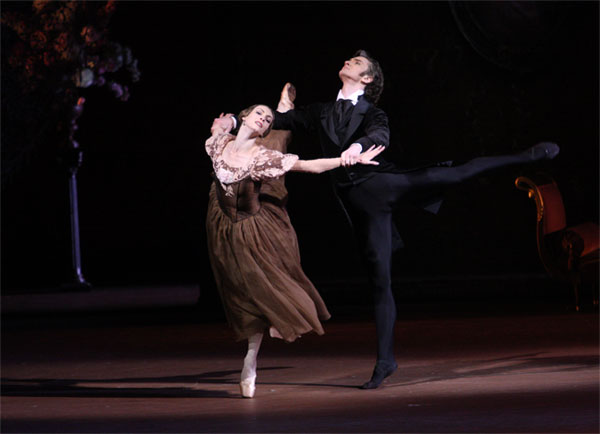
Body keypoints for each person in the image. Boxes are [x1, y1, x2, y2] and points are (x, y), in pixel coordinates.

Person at [221, 50, 560, 390]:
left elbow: (379, 135)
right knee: (380, 280)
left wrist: (359, 146)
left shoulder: (373, 113)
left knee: (454, 173)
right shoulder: (322, 111)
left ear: (366, 79)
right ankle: (387, 361)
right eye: (349, 59)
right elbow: (278, 121)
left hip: (384, 185)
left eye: (356, 62)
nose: (349, 61)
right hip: (363, 206)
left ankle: (523, 156)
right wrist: (231, 123)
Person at [205, 103, 384, 398]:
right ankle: (281, 105)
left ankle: (250, 360)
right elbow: (219, 127)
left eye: (269, 118)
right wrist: (225, 122)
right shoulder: (217, 144)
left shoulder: (263, 157)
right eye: (260, 113)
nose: (264, 119)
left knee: (260, 289)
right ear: (246, 116)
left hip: (254, 229)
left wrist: (347, 159)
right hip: (221, 224)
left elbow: (310, 166)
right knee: (236, 292)